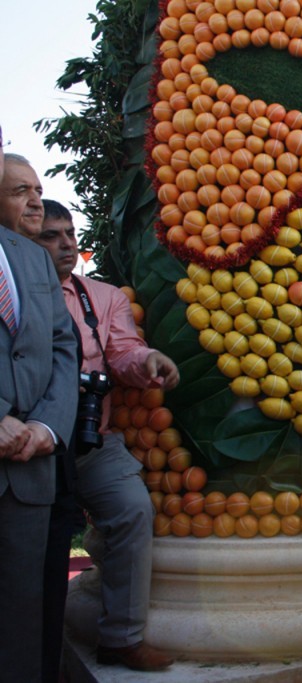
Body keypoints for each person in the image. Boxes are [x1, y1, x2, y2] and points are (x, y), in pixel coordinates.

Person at [30, 199, 177, 672]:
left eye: (70, 234)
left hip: (93, 442)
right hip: (28, 448)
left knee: (133, 510)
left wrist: (147, 362)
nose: (66, 244)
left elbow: (124, 352)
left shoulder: (104, 297)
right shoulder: (16, 295)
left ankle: (120, 638)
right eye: (50, 236)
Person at [0, 138, 79, 682]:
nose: (34, 202)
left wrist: (47, 425)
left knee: (21, 621)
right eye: (20, 191)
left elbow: (61, 347)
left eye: (38, 190)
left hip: (29, 466)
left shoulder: (32, 258)